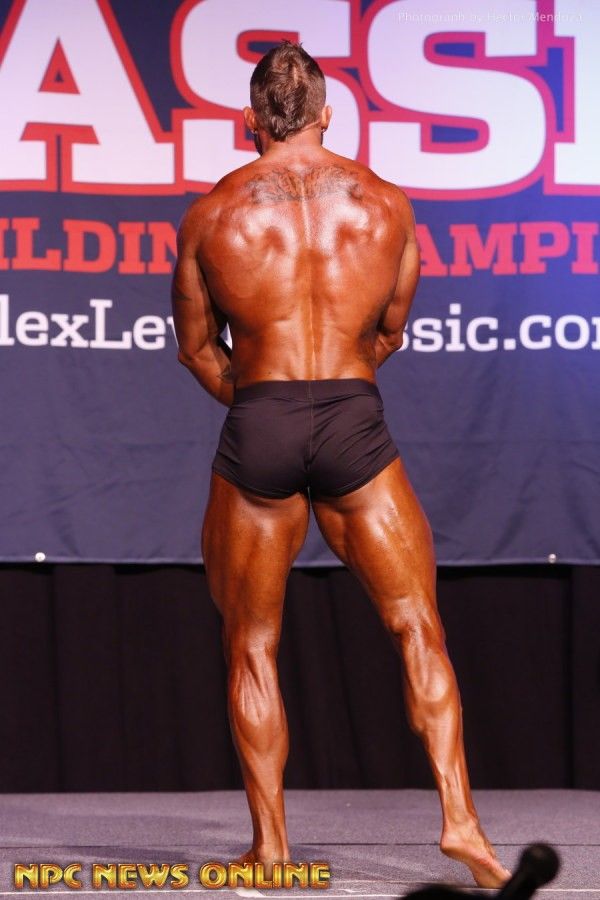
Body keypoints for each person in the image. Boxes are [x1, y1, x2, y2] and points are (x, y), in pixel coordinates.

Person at [171, 41, 511, 890]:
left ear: (247, 122)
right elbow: (390, 328)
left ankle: (272, 852)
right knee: (418, 627)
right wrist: (339, 391)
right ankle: (461, 821)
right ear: (328, 116)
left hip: (261, 421)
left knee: (252, 644)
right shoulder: (386, 205)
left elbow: (197, 350)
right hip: (356, 421)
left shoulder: (213, 214)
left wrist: (266, 402)